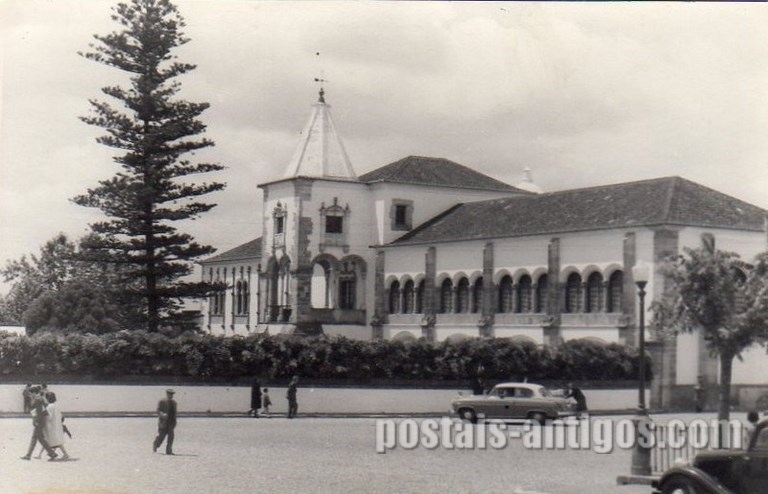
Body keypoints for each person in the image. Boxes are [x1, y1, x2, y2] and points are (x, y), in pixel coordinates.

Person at [21, 386, 57, 461]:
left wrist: (36, 421)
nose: (30, 395)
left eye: (31, 393)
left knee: (35, 438)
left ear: (34, 393)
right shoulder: (40, 399)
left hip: (39, 421)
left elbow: (38, 412)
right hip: (41, 420)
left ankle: (28, 455)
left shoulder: (37, 400)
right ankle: (51, 453)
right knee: (40, 438)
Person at [37, 392, 70, 461]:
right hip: (56, 425)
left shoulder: (49, 407)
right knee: (56, 441)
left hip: (50, 426)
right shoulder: (56, 405)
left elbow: (49, 417)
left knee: (47, 440)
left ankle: (49, 455)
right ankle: (64, 454)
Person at [153, 389, 178, 455]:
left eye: (172, 394)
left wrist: (175, 421)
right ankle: (156, 444)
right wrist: (162, 414)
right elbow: (158, 410)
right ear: (167, 394)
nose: (171, 395)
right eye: (170, 394)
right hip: (163, 422)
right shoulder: (162, 401)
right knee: (161, 436)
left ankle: (169, 451)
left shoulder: (174, 403)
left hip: (171, 422)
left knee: (171, 437)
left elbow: (175, 413)